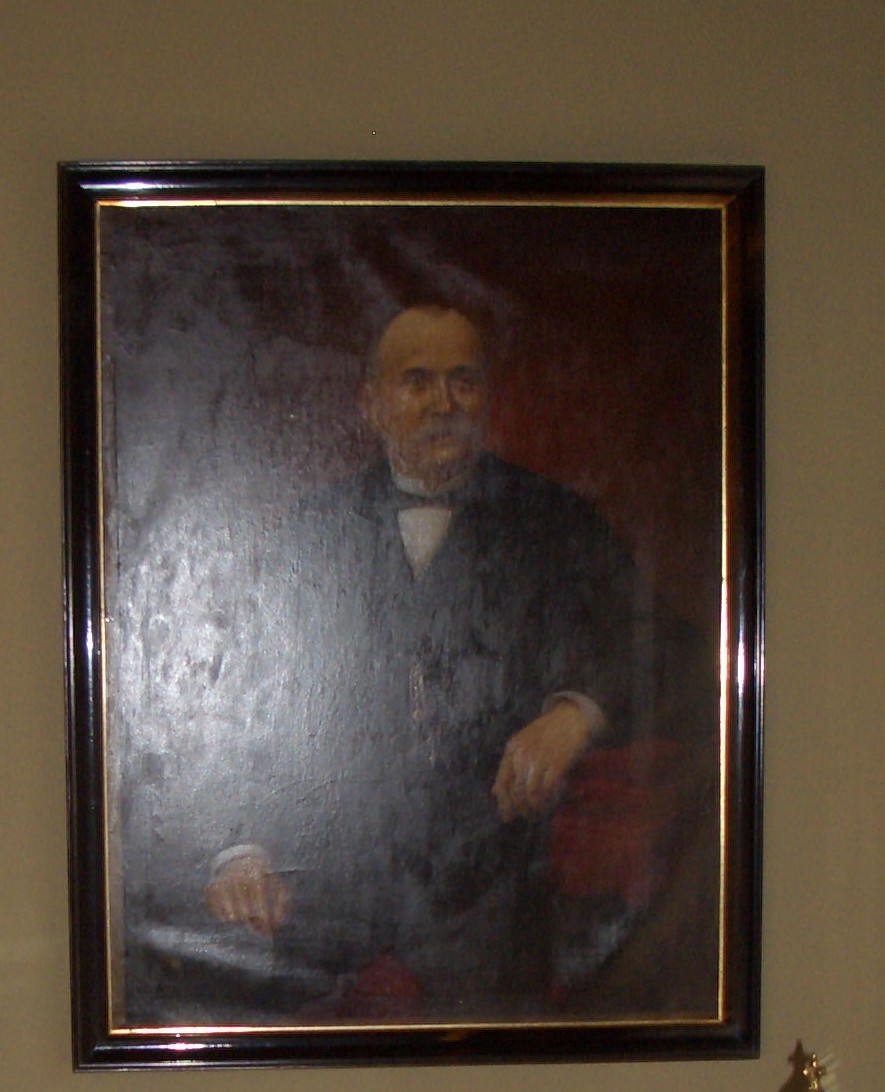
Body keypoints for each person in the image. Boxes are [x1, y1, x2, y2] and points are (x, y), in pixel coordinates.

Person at [178, 304, 644, 1020]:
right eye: (417, 382)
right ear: (371, 405)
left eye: (463, 382)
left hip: (489, 875)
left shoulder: (556, 523)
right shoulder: (309, 534)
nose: (442, 403)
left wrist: (574, 713)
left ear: (485, 399)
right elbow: (228, 700)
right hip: (327, 875)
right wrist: (237, 845)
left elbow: (653, 643)